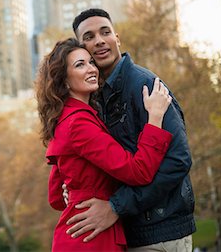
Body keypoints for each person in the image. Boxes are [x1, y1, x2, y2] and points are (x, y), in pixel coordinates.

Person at [66, 8, 195, 251]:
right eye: (89, 36)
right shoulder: (95, 98)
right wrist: (75, 187)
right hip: (128, 233)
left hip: (160, 233)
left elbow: (178, 159)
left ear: (117, 38)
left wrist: (116, 206)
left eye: (105, 32)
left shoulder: (144, 85)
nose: (100, 40)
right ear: (82, 49)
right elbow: (114, 162)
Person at [35, 37, 173, 251]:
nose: (92, 69)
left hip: (81, 234)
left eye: (91, 62)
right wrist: (155, 118)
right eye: (80, 65)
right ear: (63, 81)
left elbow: (56, 196)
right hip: (91, 240)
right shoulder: (78, 123)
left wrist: (75, 192)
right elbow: (138, 172)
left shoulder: (65, 118)